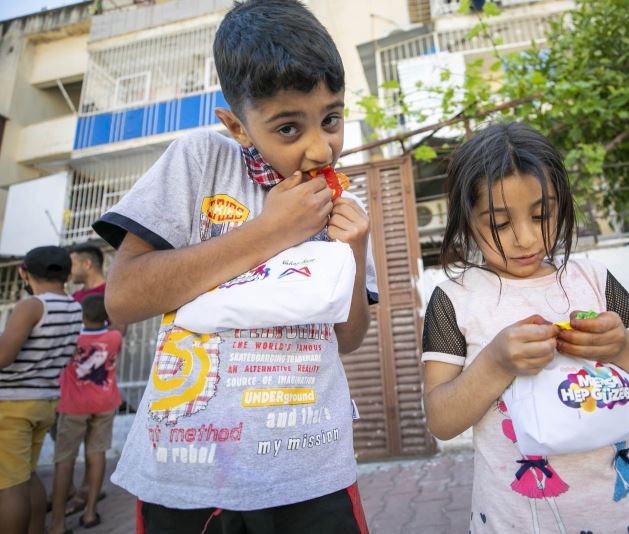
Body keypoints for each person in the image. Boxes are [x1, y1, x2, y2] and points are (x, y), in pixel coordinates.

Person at [91, 1, 378, 532]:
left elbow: (350, 337)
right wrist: (270, 231)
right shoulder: (199, 160)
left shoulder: (344, 206)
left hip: (309, 462)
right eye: (288, 129)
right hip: (190, 467)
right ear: (237, 126)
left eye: (331, 118)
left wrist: (354, 257)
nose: (321, 149)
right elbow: (123, 297)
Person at [421, 122, 629, 533]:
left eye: (542, 214)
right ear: (466, 218)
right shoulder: (455, 299)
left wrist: (623, 349)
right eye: (499, 222)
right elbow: (441, 420)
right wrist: (495, 362)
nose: (525, 238)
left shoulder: (594, 281)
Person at [0, 246, 82, 534]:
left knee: (8, 486)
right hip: (45, 401)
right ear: (68, 274)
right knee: (26, 475)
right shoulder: (75, 307)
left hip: (12, 405)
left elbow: (4, 357)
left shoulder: (33, 305)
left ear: (24, 272)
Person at [49, 294, 122, 534]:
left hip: (73, 406)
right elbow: (120, 324)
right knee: (97, 454)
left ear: (81, 316)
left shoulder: (72, 340)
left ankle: (58, 523)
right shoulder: (114, 337)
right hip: (104, 402)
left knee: (64, 461)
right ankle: (90, 512)